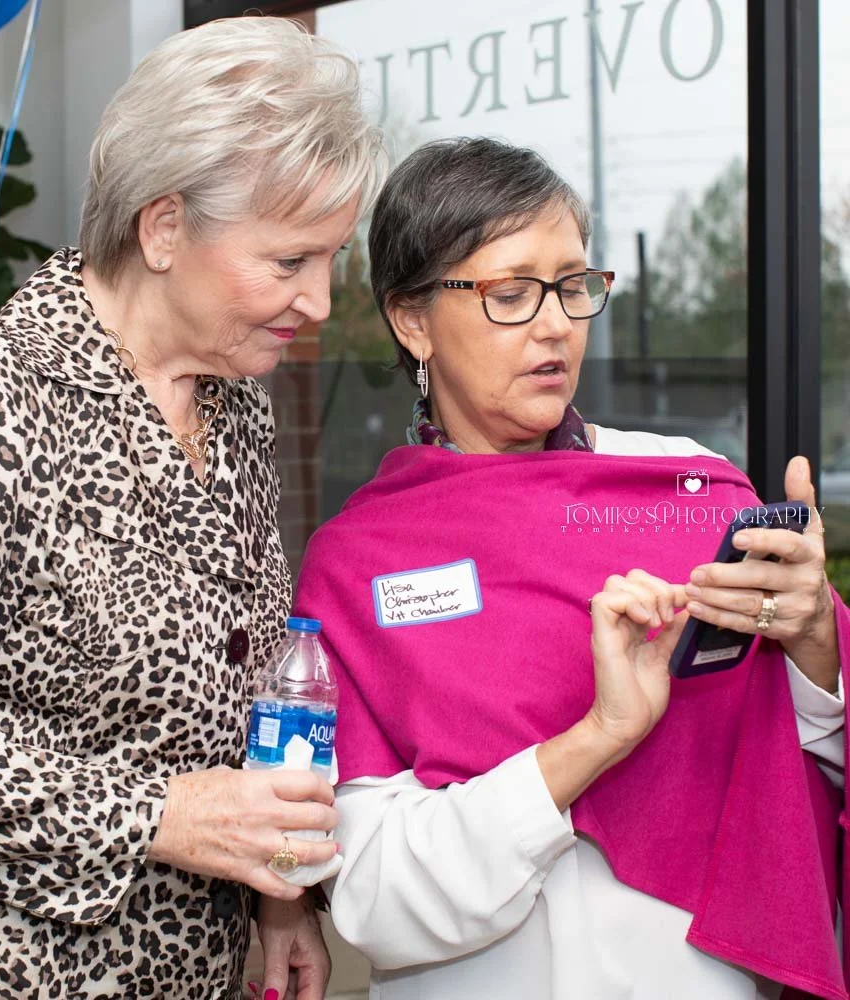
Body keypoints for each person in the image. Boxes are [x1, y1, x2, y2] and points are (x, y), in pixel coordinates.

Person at [0, 17, 384, 1000]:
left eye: (330, 258)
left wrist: (279, 896)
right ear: (164, 227)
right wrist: (152, 814)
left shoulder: (239, 412)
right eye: (288, 261)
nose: (317, 300)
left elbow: (248, 674)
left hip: (190, 967)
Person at [293, 138, 849, 999]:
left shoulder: (689, 492)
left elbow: (803, 767)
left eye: (573, 287)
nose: (556, 323)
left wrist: (816, 642)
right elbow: (368, 896)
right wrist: (594, 742)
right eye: (511, 294)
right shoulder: (358, 565)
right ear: (411, 321)